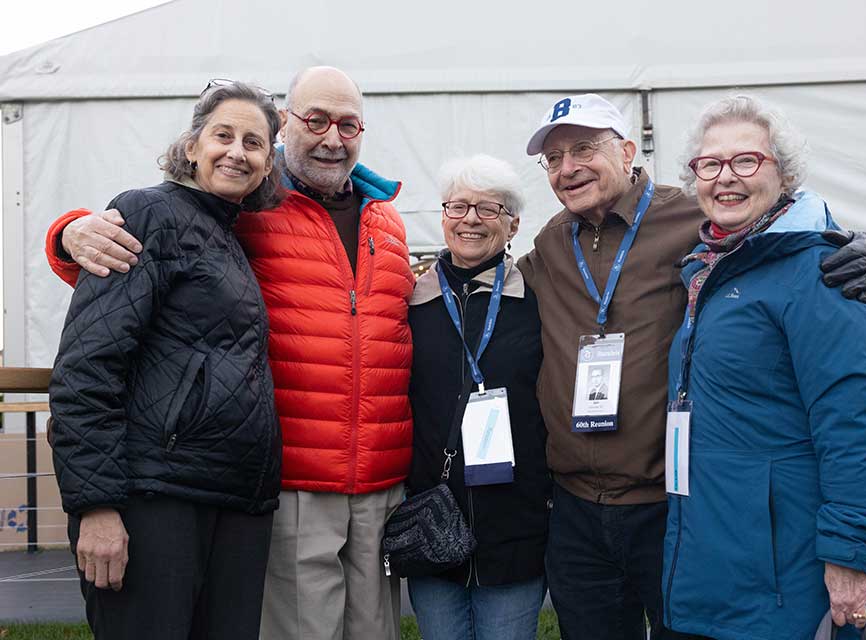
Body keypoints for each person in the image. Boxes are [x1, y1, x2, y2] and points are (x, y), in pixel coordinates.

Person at [43, 67, 414, 640]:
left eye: (348, 123)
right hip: (226, 483)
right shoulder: (245, 213)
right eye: (314, 119)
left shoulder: (381, 223)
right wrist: (68, 234)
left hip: (275, 489)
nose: (332, 136)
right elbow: (101, 331)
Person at [517, 93, 866, 640]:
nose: (568, 167)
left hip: (673, 506)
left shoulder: (696, 215)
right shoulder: (553, 241)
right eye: (553, 159)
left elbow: (789, 220)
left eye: (583, 149)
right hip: (582, 508)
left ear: (627, 152)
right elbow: (489, 272)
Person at [660, 94, 866, 640]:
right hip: (718, 551)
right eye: (710, 164)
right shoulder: (708, 267)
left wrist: (850, 552)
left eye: (746, 160)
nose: (726, 177)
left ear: (784, 172)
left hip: (789, 567)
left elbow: (856, 419)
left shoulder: (824, 271)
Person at [48, 80, 284, 640]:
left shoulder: (231, 235)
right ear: (191, 145)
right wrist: (98, 506)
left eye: (254, 143)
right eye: (223, 135)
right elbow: (88, 367)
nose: (237, 151)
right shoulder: (147, 213)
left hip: (233, 497)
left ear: (266, 164)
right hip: (156, 497)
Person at [405, 155, 551, 640]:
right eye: (459, 206)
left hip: (515, 522)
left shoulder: (537, 301)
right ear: (443, 216)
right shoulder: (410, 300)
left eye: (489, 209)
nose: (471, 219)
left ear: (513, 224)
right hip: (433, 516)